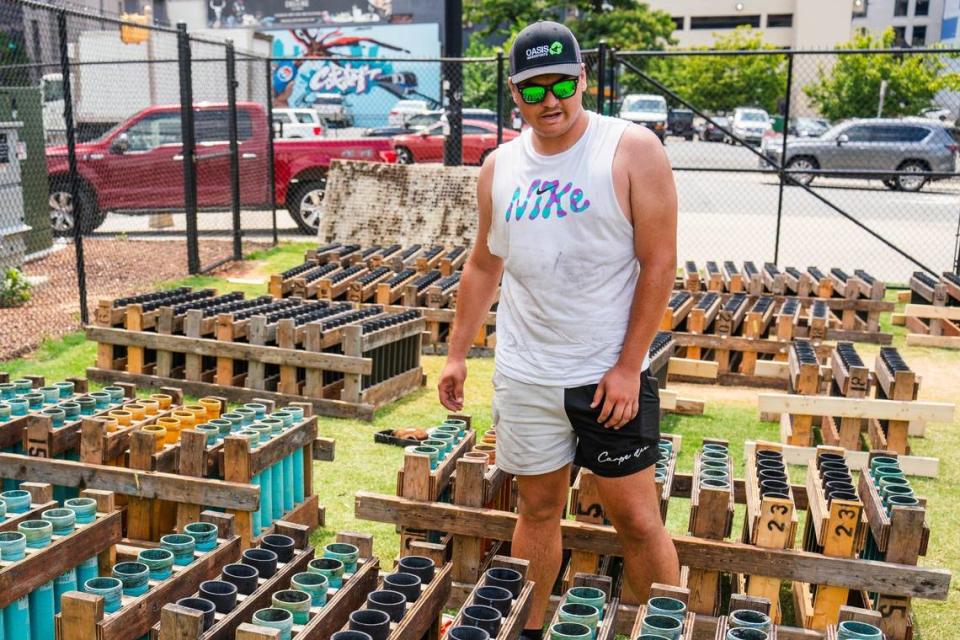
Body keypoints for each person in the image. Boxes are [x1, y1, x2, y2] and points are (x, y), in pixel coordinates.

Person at [437, 20, 680, 638]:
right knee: (537, 509)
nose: (551, 100)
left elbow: (659, 262)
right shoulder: (499, 167)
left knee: (636, 520)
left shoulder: (631, 150)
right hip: (526, 376)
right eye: (534, 88)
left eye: (562, 84)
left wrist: (629, 367)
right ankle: (529, 628)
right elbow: (484, 263)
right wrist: (457, 353)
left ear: (583, 81)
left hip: (605, 377)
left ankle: (665, 628)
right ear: (514, 95)